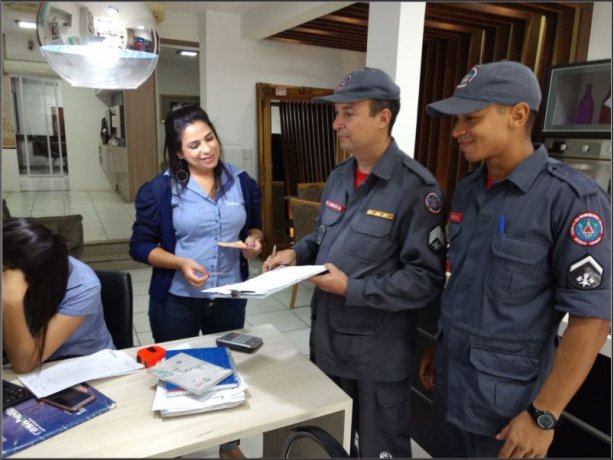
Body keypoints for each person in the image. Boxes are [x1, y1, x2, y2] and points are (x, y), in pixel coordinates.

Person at [419, 60, 612, 458]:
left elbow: (591, 320)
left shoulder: (572, 200)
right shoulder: (470, 190)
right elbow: (468, 283)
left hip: (508, 414)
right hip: (453, 389)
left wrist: (544, 415)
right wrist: (440, 346)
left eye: (471, 118)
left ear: (517, 115)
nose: (457, 131)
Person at [263, 67, 446, 458]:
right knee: (328, 444)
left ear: (383, 117)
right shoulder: (341, 175)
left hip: (375, 360)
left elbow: (424, 280)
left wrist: (353, 288)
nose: (336, 124)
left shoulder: (417, 189)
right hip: (327, 346)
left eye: (348, 113)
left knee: (379, 450)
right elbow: (326, 236)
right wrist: (299, 251)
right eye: (337, 113)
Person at [129, 103, 262, 459]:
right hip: (178, 300)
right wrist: (179, 262)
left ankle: (229, 444)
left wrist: (253, 241)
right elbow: (140, 246)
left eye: (210, 138)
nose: (206, 150)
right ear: (178, 152)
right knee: (177, 372)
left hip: (230, 295)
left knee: (228, 368)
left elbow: (254, 224)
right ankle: (178, 445)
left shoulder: (242, 181)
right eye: (194, 145)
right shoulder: (161, 190)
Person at [2, 217, 115, 374]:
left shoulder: (82, 285)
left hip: (83, 363)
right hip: (25, 364)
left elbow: (25, 363)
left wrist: (11, 302)